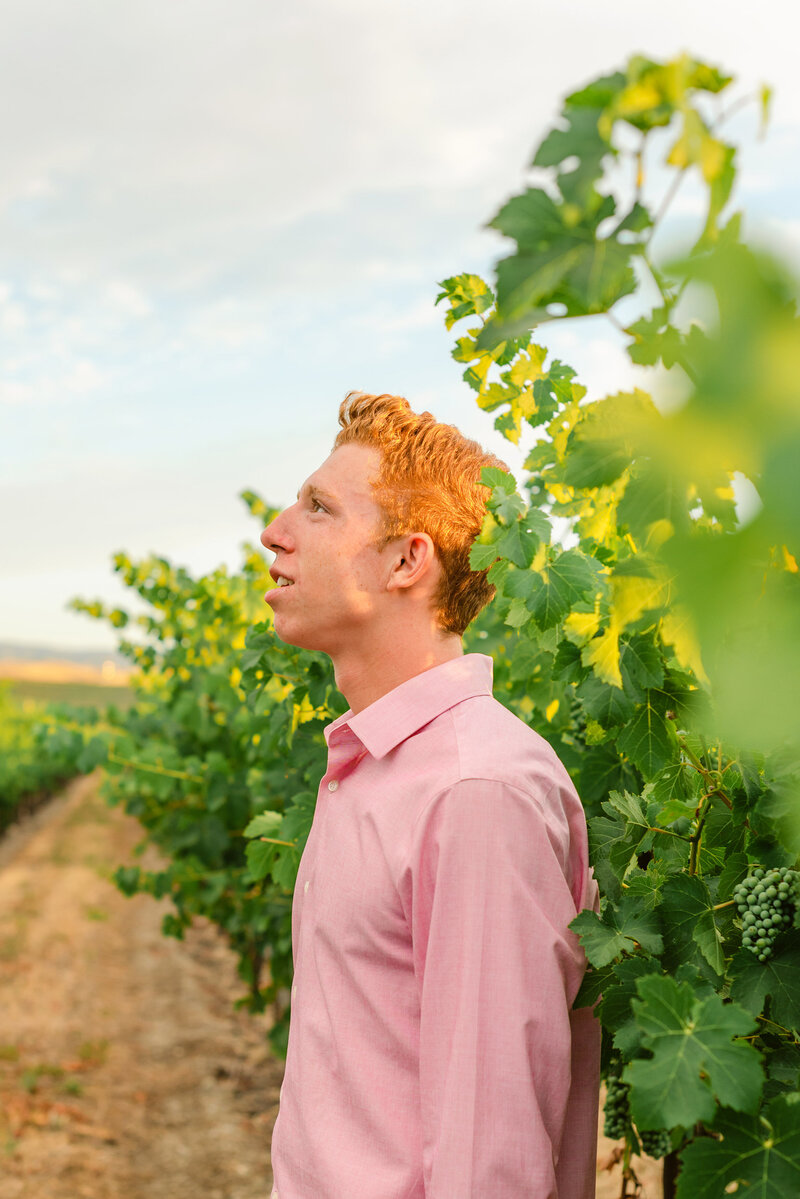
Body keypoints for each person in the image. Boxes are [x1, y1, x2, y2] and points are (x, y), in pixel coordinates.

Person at [260, 391, 600, 1199]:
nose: (274, 530)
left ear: (406, 560)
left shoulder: (474, 791)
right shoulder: (373, 763)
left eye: (317, 507)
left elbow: (494, 1163)